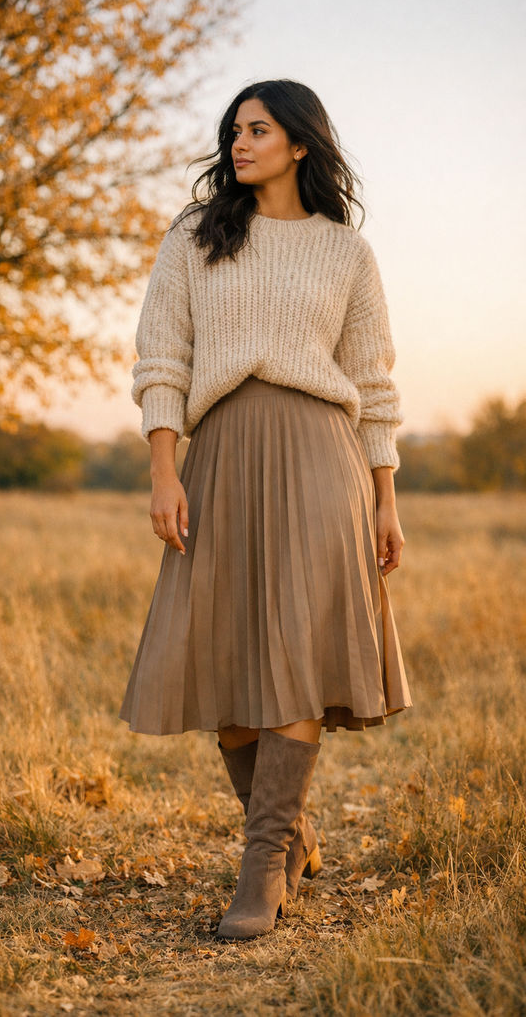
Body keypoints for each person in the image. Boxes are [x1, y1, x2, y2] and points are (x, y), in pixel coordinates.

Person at [119, 78, 412, 940]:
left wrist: (386, 497)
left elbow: (374, 382)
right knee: (224, 655)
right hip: (222, 458)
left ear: (300, 145)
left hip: (324, 459)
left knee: (293, 652)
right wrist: (163, 469)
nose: (239, 144)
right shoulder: (195, 238)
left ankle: (262, 870)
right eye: (234, 131)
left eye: (258, 130)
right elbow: (162, 356)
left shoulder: (345, 252)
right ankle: (288, 830)